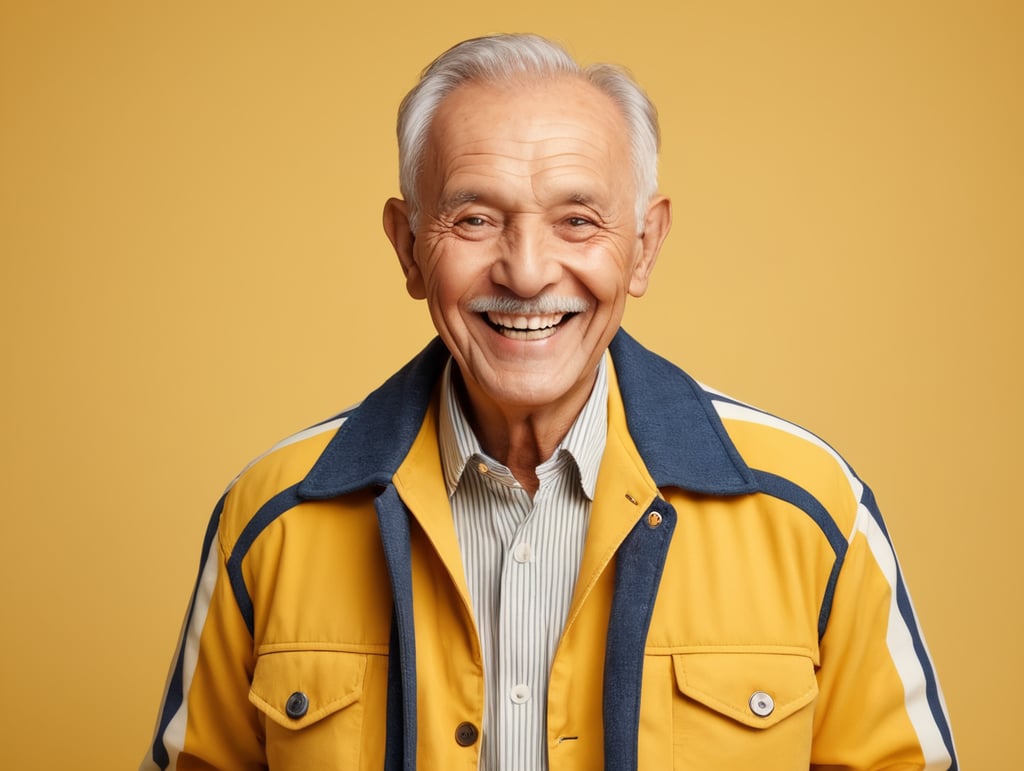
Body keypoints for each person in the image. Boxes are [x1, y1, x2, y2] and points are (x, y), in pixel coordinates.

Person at [141, 33, 957, 770]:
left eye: (577, 220)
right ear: (408, 246)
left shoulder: (812, 511)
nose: (527, 271)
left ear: (644, 246)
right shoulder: (274, 517)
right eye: (474, 218)